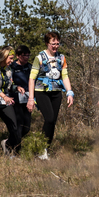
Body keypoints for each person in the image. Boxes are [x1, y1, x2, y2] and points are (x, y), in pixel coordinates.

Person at [27, 30, 74, 159]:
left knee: (52, 122)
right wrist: (31, 98)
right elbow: (32, 78)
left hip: (56, 92)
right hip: (41, 92)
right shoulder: (39, 58)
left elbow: (65, 76)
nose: (55, 46)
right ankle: (42, 148)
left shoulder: (62, 58)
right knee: (49, 118)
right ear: (47, 43)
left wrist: (69, 92)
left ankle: (45, 148)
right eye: (53, 44)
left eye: (57, 43)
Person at [10, 44, 32, 141]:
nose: (26, 58)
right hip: (15, 100)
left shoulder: (30, 67)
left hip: (27, 99)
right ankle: (15, 145)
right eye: (24, 55)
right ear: (18, 56)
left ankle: (9, 141)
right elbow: (8, 83)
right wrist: (16, 87)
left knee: (26, 127)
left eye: (28, 55)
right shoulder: (12, 67)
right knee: (19, 124)